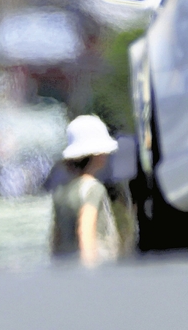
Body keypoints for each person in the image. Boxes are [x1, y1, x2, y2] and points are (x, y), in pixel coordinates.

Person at [50, 114, 120, 266]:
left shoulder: (61, 191)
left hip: (65, 267)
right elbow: (86, 229)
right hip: (93, 265)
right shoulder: (93, 189)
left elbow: (56, 237)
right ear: (96, 155)